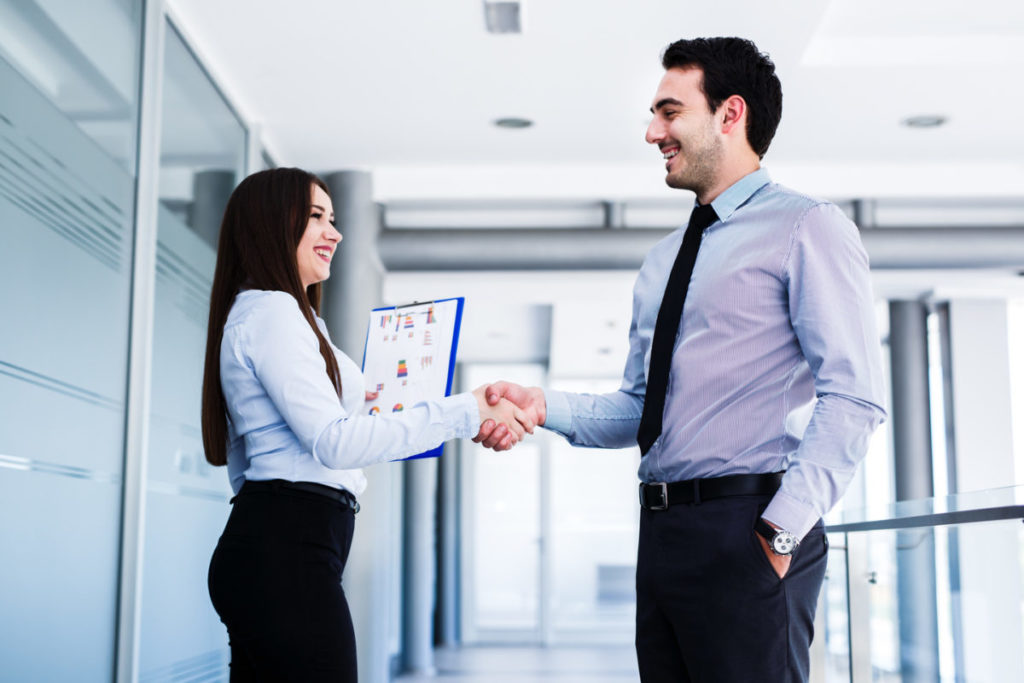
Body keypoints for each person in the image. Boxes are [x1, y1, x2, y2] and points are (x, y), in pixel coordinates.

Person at [477, 37, 887, 682]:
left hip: (750, 527)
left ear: (731, 114)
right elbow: (642, 409)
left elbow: (855, 397)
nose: (651, 132)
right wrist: (542, 405)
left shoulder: (807, 227)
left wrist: (778, 536)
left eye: (669, 112)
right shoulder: (664, 259)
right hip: (663, 534)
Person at [201, 167, 530, 682]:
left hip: (282, 542)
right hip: (287, 547)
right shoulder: (273, 312)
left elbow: (263, 455)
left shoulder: (285, 316)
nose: (334, 233)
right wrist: (465, 411)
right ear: (270, 223)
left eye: (333, 218)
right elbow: (334, 442)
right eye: (316, 217)